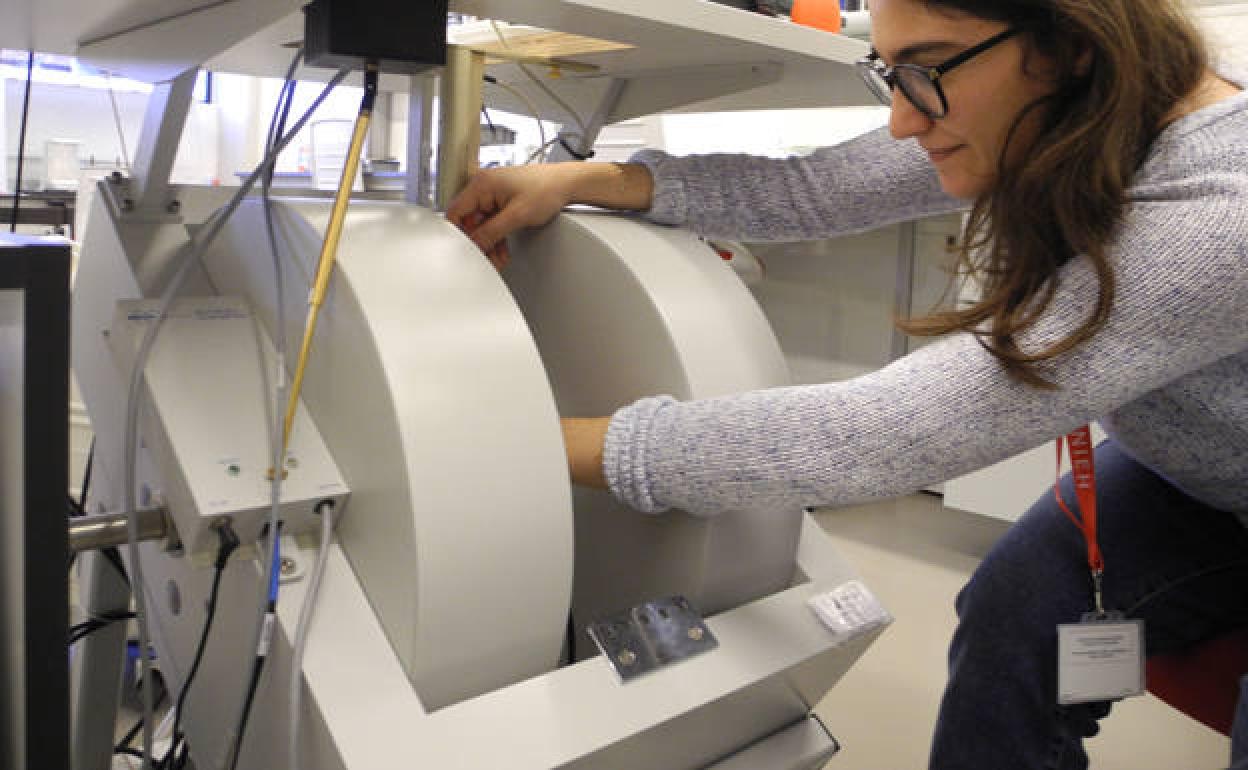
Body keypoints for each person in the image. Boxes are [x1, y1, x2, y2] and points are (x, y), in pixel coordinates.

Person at [447, 0, 1248, 766]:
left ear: (1073, 43)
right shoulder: (1081, 104)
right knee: (1015, 615)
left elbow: (884, 434)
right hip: (1193, 476)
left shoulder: (1221, 212)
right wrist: (587, 179)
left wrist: (531, 447)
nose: (904, 119)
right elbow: (814, 189)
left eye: (927, 71)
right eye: (892, 74)